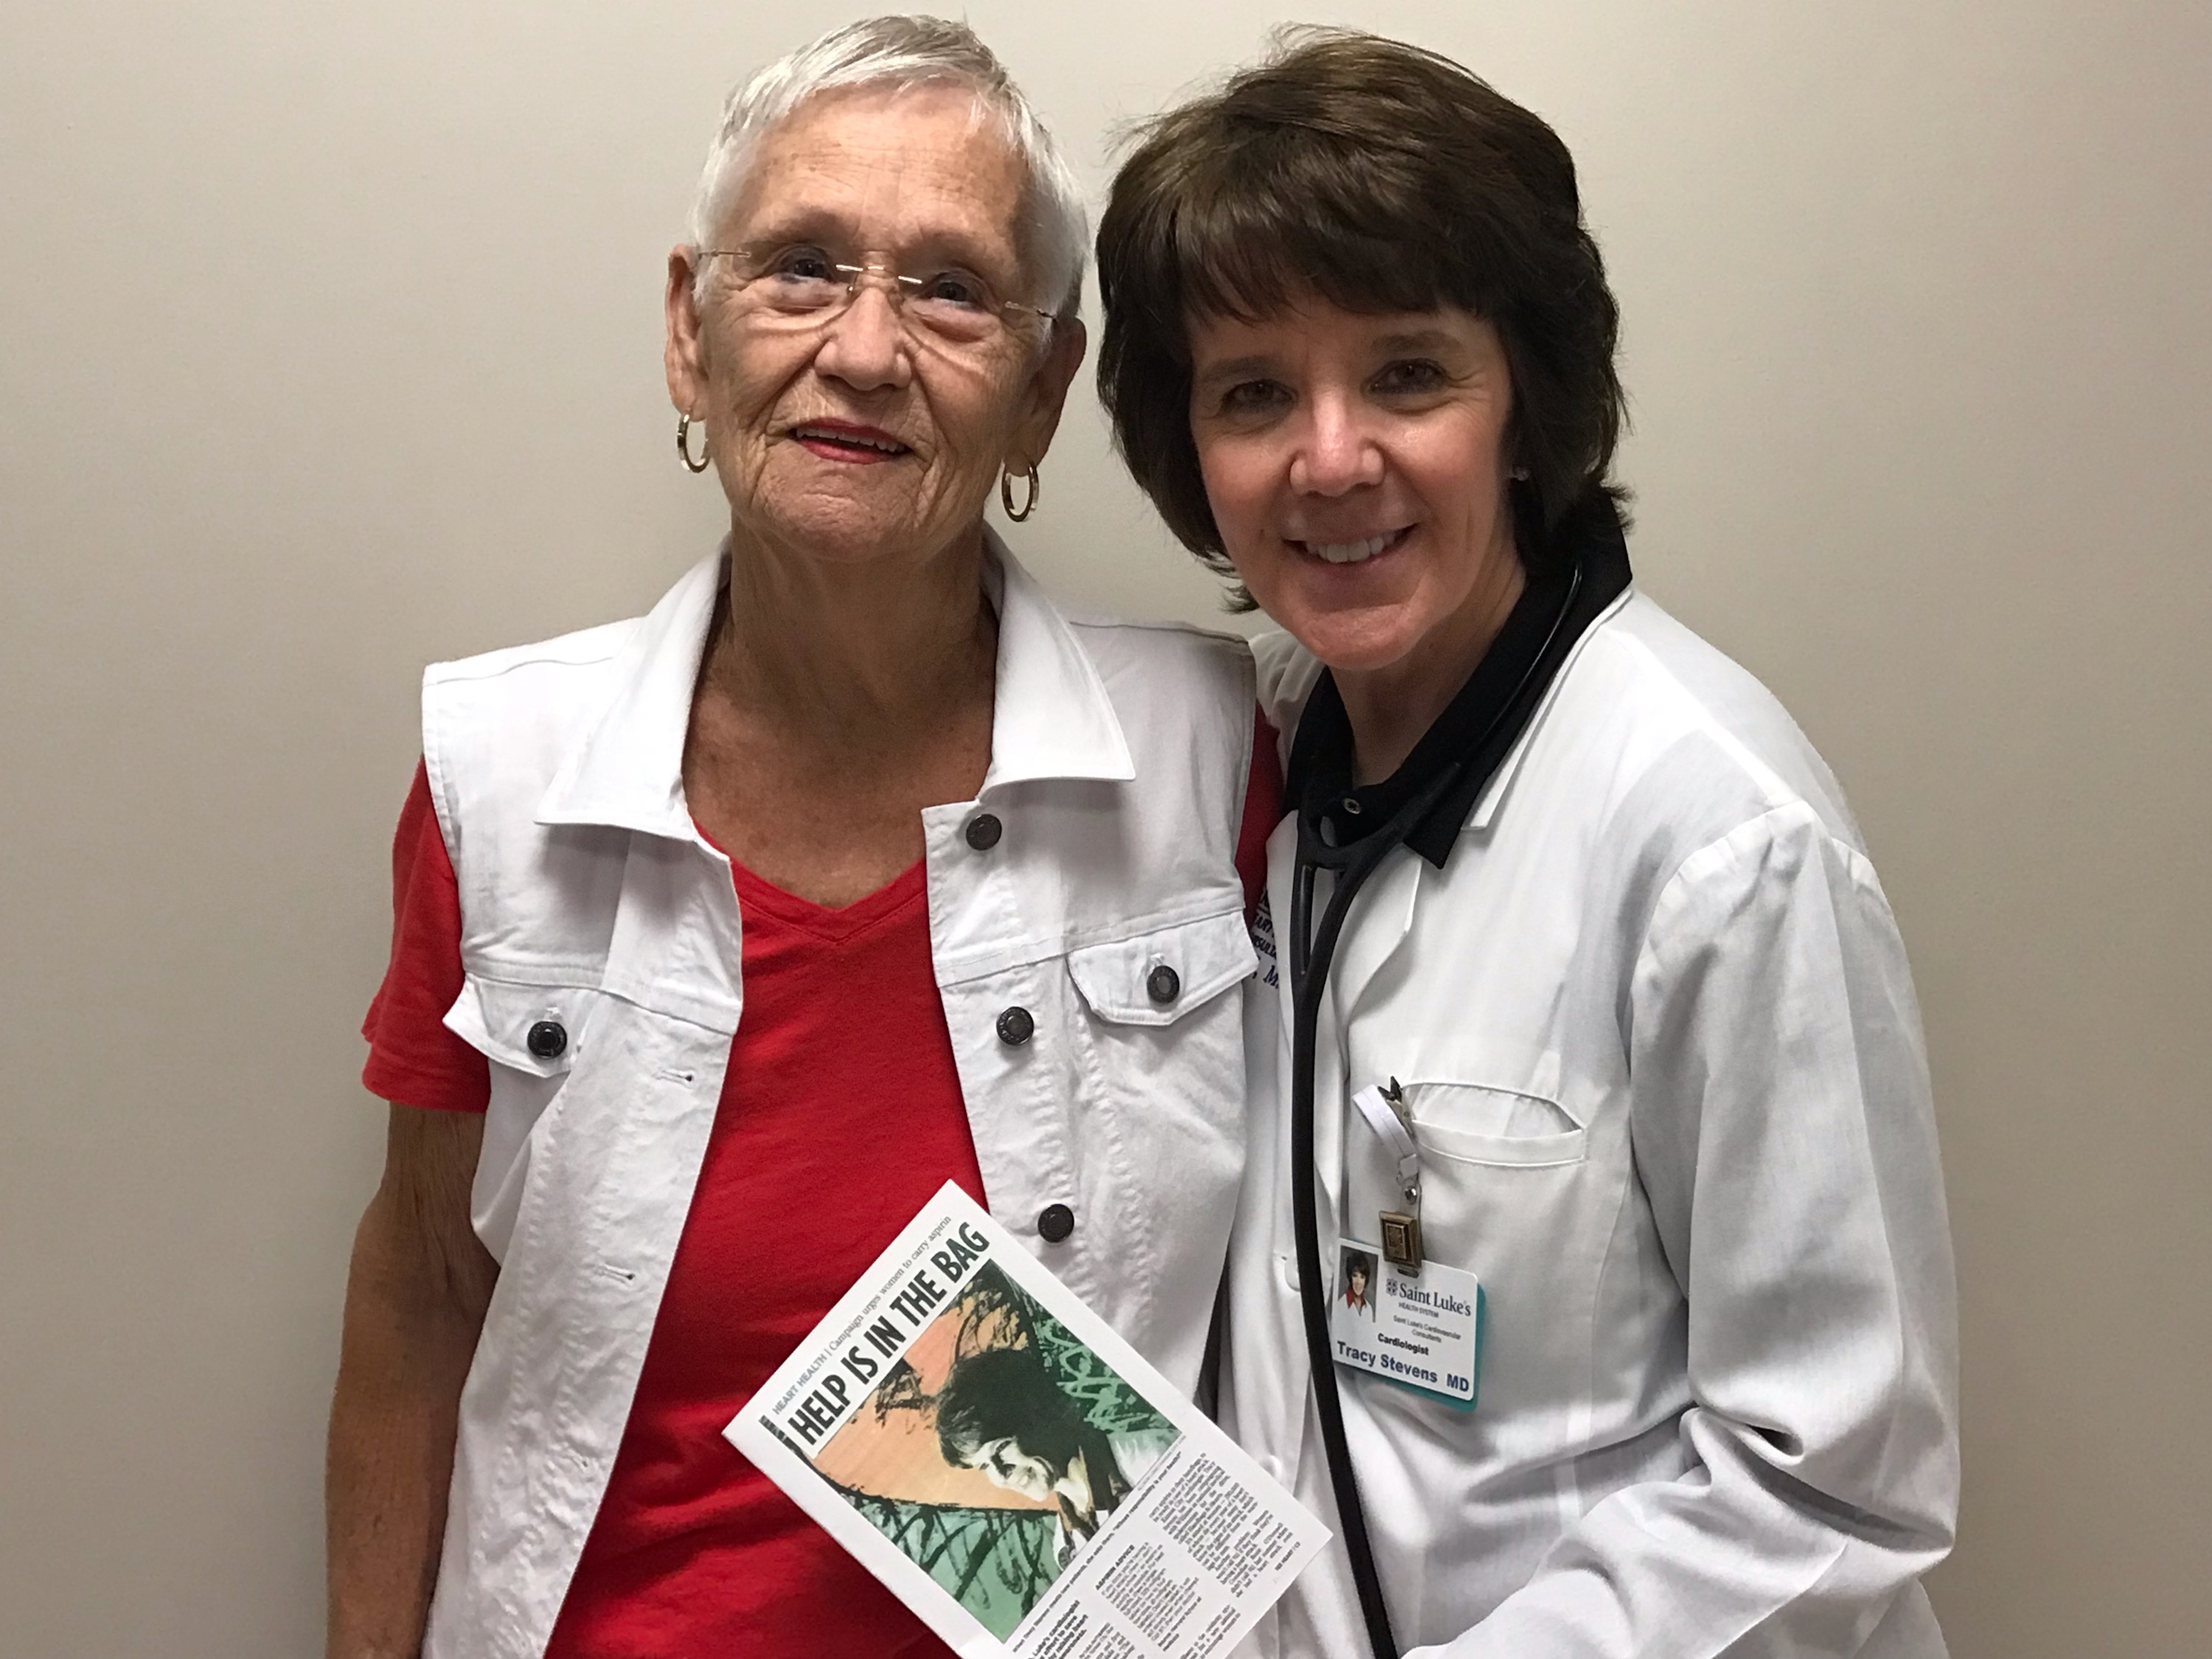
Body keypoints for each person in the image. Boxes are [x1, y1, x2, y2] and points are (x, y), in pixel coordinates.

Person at [327, 18, 1275, 1659]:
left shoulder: (1212, 758)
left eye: (952, 289)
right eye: (801, 267)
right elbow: (420, 1289)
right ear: (690, 334)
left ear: (1045, 393)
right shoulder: (505, 773)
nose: (863, 349)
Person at [1096, 28, 1958, 1659]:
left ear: (1523, 407)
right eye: (1254, 392)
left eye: (1408, 372)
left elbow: (1835, 1488)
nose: (1330, 458)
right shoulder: (1253, 755)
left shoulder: (1715, 838)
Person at [936, 1345, 1175, 1567]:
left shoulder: (1155, 1459)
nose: (1001, 1474)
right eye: (984, 1466)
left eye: (1001, 1449)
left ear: (1038, 1418)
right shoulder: (1065, 1549)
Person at [1340, 1249, 1374, 1315]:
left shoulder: (1368, 1309)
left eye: (1362, 1277)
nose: (1358, 1282)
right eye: (1355, 1276)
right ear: (1350, 1277)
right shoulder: (1341, 1305)